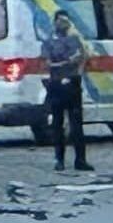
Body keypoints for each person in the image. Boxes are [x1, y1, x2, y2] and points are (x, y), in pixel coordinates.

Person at [41, 11, 92, 171]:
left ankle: (80, 160)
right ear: (55, 22)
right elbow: (49, 63)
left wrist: (63, 63)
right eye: (60, 21)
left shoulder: (75, 39)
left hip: (72, 84)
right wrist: (66, 62)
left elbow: (79, 58)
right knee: (57, 125)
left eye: (66, 21)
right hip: (56, 86)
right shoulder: (49, 42)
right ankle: (59, 160)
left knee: (77, 124)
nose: (63, 24)